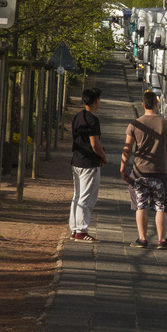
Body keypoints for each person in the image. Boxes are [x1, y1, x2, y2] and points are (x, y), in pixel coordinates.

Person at [120, 89, 167, 249]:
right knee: (161, 206)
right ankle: (162, 240)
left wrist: (123, 168)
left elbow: (127, 148)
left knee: (141, 205)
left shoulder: (134, 124)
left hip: (139, 172)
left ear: (143, 105)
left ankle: (142, 239)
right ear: (157, 104)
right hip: (159, 173)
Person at [69, 86, 107, 242]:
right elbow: (94, 144)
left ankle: (74, 227)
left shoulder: (77, 117)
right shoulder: (93, 120)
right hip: (89, 163)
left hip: (76, 160)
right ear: (95, 101)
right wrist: (103, 156)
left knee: (77, 196)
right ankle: (81, 230)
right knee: (87, 197)